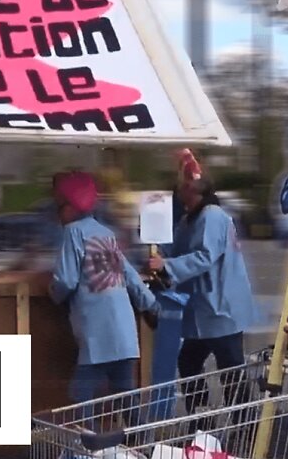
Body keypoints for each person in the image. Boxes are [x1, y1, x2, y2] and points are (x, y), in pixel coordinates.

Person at [49, 171, 158, 413]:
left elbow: (65, 281)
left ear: (69, 207)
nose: (57, 214)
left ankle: (86, 447)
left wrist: (53, 294)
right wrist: (150, 304)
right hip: (124, 333)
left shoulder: (73, 232)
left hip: (97, 335)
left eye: (59, 205)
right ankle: (144, 446)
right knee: (127, 399)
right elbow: (129, 274)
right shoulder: (107, 234)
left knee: (81, 395)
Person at [147, 175, 257, 415]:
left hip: (219, 307)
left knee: (230, 369)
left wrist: (166, 265)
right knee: (190, 362)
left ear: (193, 191)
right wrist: (157, 251)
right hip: (205, 309)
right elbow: (177, 249)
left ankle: (245, 425)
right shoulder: (191, 219)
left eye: (182, 187)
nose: (178, 191)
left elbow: (205, 255)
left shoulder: (211, 216)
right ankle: (202, 416)